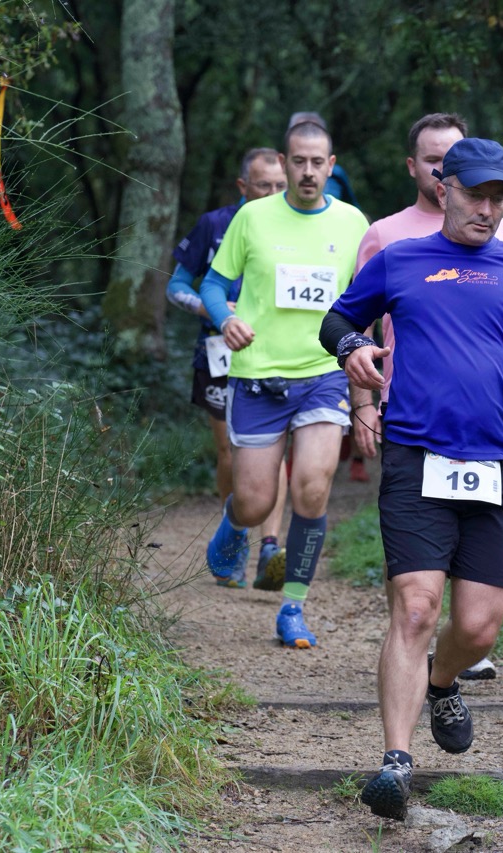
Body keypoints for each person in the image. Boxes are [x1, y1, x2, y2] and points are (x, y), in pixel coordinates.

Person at [320, 137, 503, 820]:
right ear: (446, 190)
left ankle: (443, 681)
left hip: (496, 464)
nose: (487, 209)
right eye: (476, 195)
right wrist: (353, 348)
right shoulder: (400, 259)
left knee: (478, 628)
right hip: (416, 456)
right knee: (415, 609)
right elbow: (338, 319)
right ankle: (396, 761)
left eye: (499, 198)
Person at [350, 112, 503, 683]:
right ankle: (411, 631)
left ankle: (449, 652)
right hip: (409, 413)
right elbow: (357, 325)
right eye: (434, 160)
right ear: (419, 169)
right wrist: (363, 404)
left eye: (453, 158)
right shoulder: (386, 236)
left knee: (472, 590)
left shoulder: (500, 232)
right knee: (416, 588)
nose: (443, 169)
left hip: (488, 430)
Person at [198, 121, 369, 647]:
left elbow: (369, 303)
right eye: (299, 161)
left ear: (331, 165)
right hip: (258, 375)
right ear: (284, 161)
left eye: (318, 162)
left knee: (312, 489)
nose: (309, 171)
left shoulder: (353, 223)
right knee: (254, 502)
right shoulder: (252, 217)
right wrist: (226, 319)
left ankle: (293, 606)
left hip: (323, 373)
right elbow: (212, 284)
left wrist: (368, 390)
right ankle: (234, 526)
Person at [166, 148, 290, 587]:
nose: (272, 193)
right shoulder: (215, 224)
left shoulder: (294, 223)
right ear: (243, 186)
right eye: (263, 185)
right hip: (218, 351)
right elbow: (176, 286)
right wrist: (213, 310)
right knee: (230, 452)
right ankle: (234, 537)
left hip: (274, 354)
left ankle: (271, 545)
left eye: (280, 186)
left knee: (275, 449)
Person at [288, 110, 369, 483]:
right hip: (294, 264)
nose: (308, 169)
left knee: (357, 354)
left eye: (318, 161)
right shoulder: (282, 183)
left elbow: (353, 207)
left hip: (335, 265)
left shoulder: (341, 184)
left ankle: (356, 455)